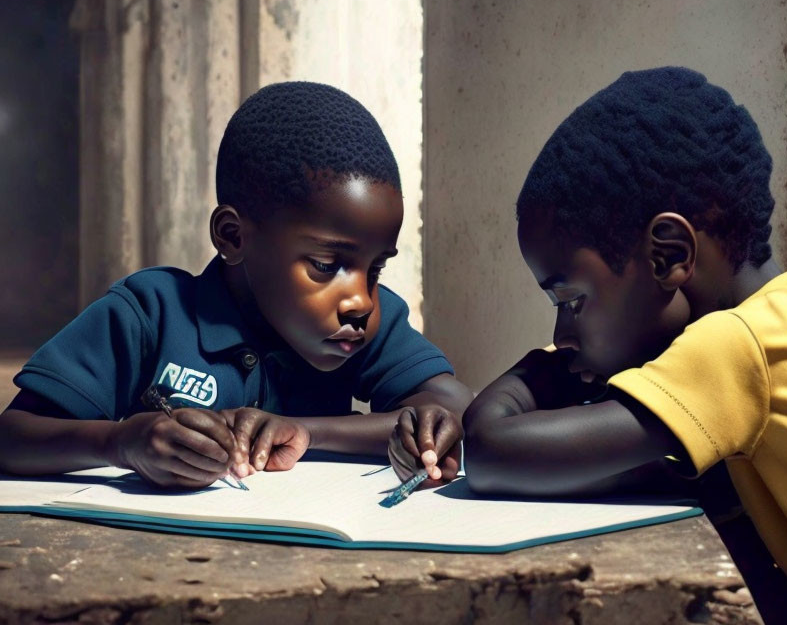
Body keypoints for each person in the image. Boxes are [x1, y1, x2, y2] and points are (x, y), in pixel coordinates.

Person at [460, 67, 787, 623]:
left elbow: (492, 449)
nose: (562, 336)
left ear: (667, 255)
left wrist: (538, 371)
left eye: (569, 302)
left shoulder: (738, 346)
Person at [0, 82, 471, 490]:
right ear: (233, 236)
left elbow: (453, 408)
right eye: (327, 265)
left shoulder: (363, 321)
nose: (360, 300)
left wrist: (304, 431)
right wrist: (121, 442)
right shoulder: (150, 313)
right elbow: (13, 436)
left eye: (376, 270)